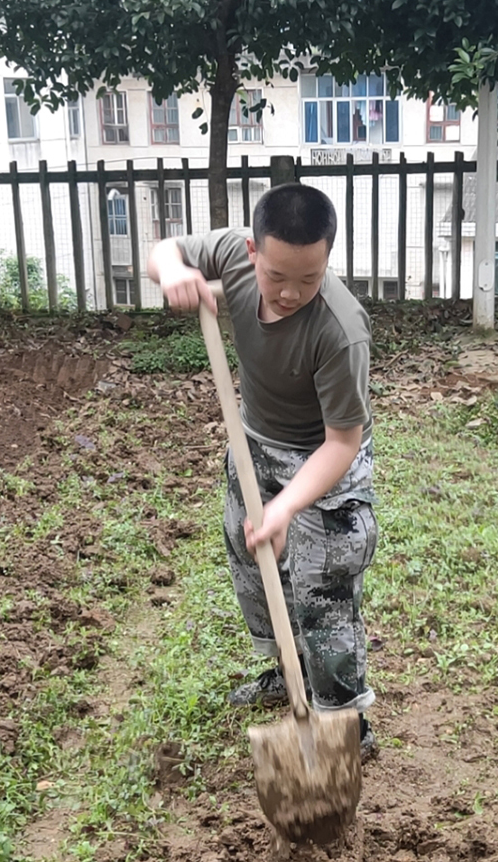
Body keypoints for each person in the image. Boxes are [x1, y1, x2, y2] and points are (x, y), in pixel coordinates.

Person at [147, 183, 378, 762]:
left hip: (322, 466)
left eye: (310, 277)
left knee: (324, 594)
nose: (292, 292)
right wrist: (173, 269)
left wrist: (285, 507)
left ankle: (345, 722)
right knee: (256, 575)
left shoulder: (340, 328)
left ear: (328, 257)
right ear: (252, 250)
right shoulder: (232, 255)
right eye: (278, 276)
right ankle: (288, 672)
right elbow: (161, 249)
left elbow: (342, 443)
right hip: (254, 447)